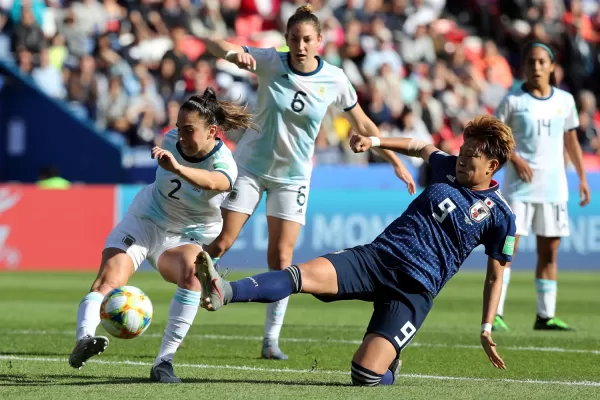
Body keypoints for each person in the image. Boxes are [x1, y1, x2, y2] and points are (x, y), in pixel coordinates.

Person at [195, 115, 516, 386]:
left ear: (492, 165)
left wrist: (486, 327)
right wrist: (375, 143)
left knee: (364, 375)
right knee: (300, 275)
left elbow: (495, 275)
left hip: (414, 291)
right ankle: (224, 291)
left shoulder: (501, 216)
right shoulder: (447, 167)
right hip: (377, 258)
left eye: (471, 155)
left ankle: (389, 365)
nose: (462, 158)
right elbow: (419, 147)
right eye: (462, 149)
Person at [200, 4, 416, 360]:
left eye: (307, 40)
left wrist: (394, 160)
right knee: (221, 242)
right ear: (286, 40)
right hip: (252, 168)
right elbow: (216, 46)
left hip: (293, 178)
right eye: (294, 40)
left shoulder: (335, 79)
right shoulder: (270, 61)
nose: (300, 46)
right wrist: (230, 52)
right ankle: (189, 303)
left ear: (320, 41)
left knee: (281, 256)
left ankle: (270, 341)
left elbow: (364, 124)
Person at [68, 88, 253, 383]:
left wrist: (178, 168)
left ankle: (164, 363)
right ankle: (84, 339)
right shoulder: (171, 141)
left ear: (213, 132)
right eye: (178, 128)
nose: (180, 136)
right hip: (144, 221)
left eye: (189, 130)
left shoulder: (225, 163)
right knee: (110, 280)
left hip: (182, 238)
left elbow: (215, 183)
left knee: (194, 273)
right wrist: (177, 160)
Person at [492, 41, 591, 332]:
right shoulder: (512, 100)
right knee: (508, 249)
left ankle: (545, 316)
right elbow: (495, 137)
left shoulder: (565, 101)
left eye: (541, 62)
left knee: (550, 252)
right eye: (530, 62)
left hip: (553, 188)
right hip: (518, 189)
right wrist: (515, 159)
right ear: (523, 67)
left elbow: (571, 140)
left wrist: (582, 178)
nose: (536, 67)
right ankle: (496, 312)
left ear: (551, 67)